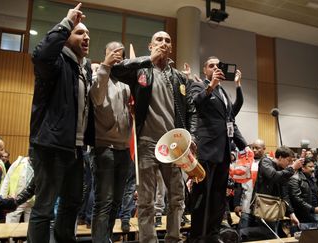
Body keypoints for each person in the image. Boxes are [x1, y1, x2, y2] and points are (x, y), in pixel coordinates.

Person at [111, 30, 197, 243]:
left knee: (177, 198)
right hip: (147, 142)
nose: (164, 43)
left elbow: (190, 110)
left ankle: (174, 238)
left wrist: (192, 137)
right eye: (159, 39)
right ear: (150, 46)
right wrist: (149, 59)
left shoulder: (178, 77)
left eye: (168, 40)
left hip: (175, 145)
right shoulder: (141, 69)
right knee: (147, 201)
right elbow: (115, 70)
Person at [28, 3, 94, 243]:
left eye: (87, 34)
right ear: (66, 37)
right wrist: (67, 23)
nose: (86, 37)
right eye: (80, 32)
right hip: (50, 147)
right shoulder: (55, 63)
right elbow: (41, 55)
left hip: (76, 149)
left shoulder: (82, 69)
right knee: (44, 209)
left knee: (72, 203)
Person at [189, 56, 248, 242]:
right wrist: (211, 85)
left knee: (218, 197)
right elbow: (196, 103)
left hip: (223, 152)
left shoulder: (223, 92)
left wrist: (243, 146)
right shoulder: (199, 85)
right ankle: (198, 235)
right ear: (205, 70)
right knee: (202, 195)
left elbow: (231, 119)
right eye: (211, 66)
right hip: (206, 150)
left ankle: (213, 234)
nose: (215, 68)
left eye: (218, 65)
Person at [89, 41, 133, 243]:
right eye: (113, 52)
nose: (117, 56)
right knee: (104, 201)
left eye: (120, 54)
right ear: (105, 53)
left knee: (116, 201)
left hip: (123, 148)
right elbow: (97, 98)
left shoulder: (125, 82)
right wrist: (105, 66)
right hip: (103, 147)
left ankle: (105, 238)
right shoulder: (98, 73)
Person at [288, 157, 318, 224]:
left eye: (313, 166)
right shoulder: (295, 178)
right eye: (310, 167)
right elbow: (296, 199)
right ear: (303, 167)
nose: (313, 169)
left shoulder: (311, 178)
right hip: (303, 215)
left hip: (314, 212)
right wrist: (312, 209)